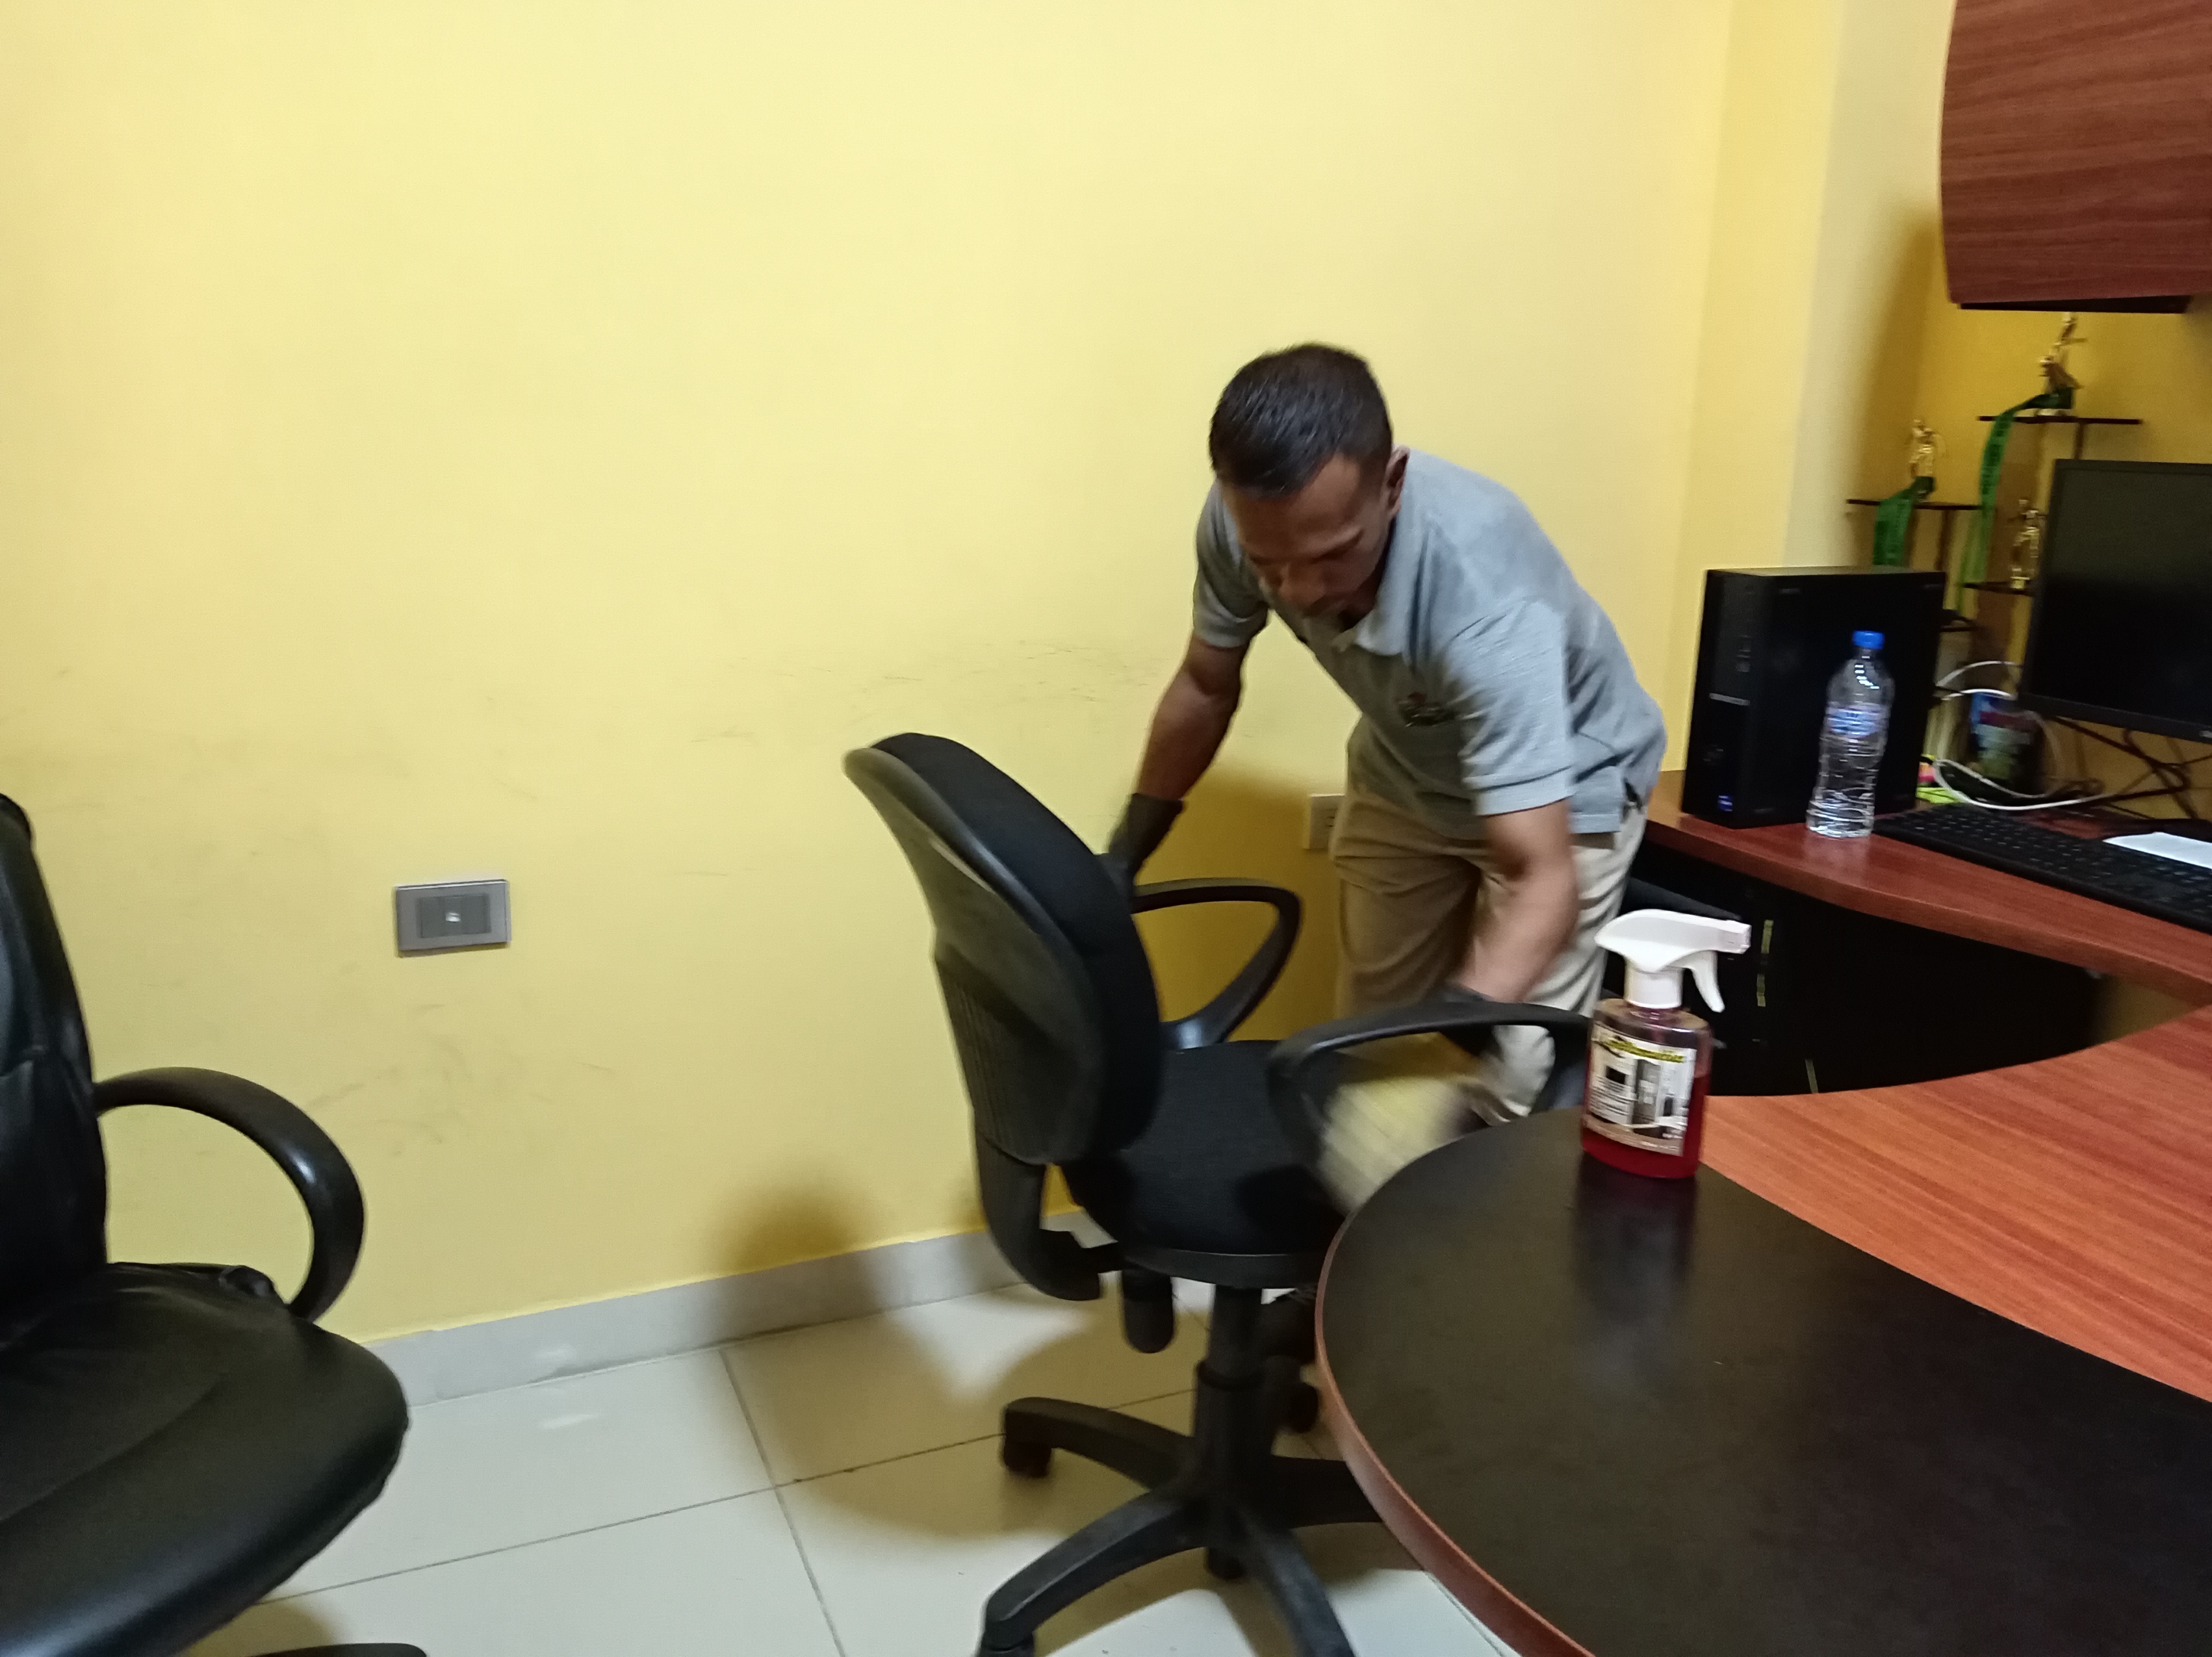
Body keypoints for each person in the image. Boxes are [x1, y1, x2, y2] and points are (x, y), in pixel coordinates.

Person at [1109, 343, 1666, 1142]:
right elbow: (1205, 685)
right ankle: (1374, 1217)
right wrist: (1126, 853)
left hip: (1566, 783)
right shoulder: (1241, 524)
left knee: (1510, 1082)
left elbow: (1542, 877)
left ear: (1393, 484)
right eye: (1272, 566)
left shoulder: (1485, 601)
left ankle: (1487, 1207)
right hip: (1407, 768)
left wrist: (1465, 1025)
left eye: (1334, 555)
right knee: (1374, 1053)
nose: (1302, 592)